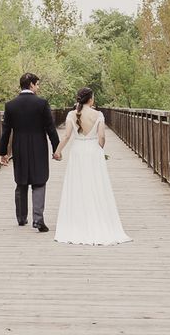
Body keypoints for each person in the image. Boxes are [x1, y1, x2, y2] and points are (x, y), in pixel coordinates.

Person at [53, 87, 132, 245]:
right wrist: (100, 149)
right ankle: (98, 219)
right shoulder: (98, 115)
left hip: (78, 151)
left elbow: (67, 135)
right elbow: (101, 137)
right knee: (96, 184)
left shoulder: (71, 115)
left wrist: (57, 151)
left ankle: (77, 223)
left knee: (78, 185)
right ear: (90, 99)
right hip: (93, 151)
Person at [0, 73, 60, 232]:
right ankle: (38, 219)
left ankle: (21, 217)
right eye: (37, 84)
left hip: (19, 146)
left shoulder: (10, 105)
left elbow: (6, 131)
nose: (38, 87)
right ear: (31, 85)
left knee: (21, 181)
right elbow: (50, 128)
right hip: (38, 146)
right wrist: (56, 149)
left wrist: (3, 152)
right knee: (39, 181)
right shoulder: (41, 103)